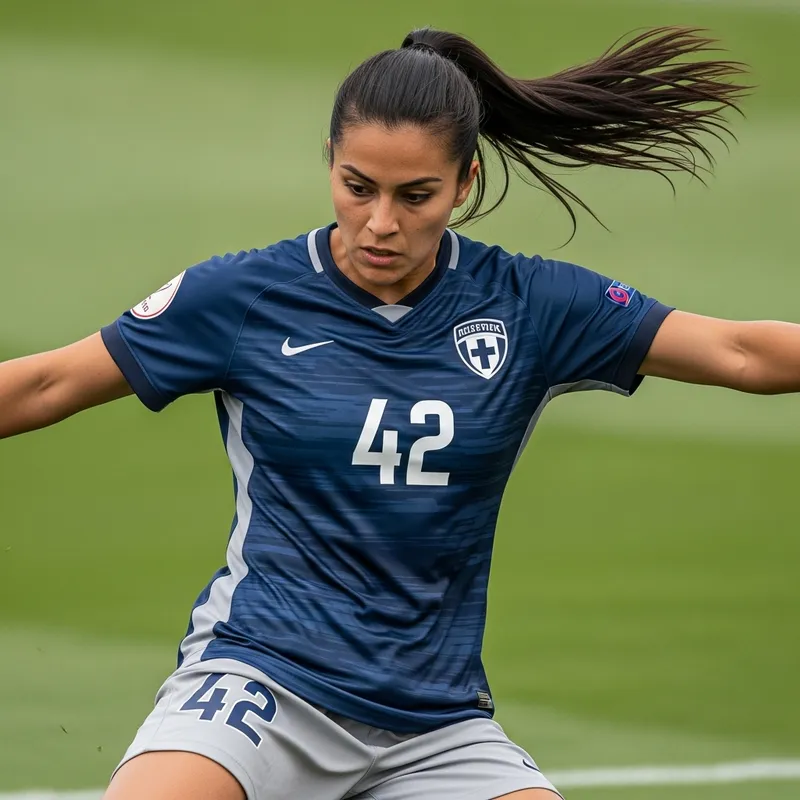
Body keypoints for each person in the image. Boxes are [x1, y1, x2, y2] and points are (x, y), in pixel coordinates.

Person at [1, 24, 793, 800]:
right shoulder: (243, 298)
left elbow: (738, 353)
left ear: (465, 184)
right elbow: (46, 385)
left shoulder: (530, 305)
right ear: (330, 165)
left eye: (416, 195)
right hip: (263, 684)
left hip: (436, 725)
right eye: (358, 186)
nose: (381, 223)